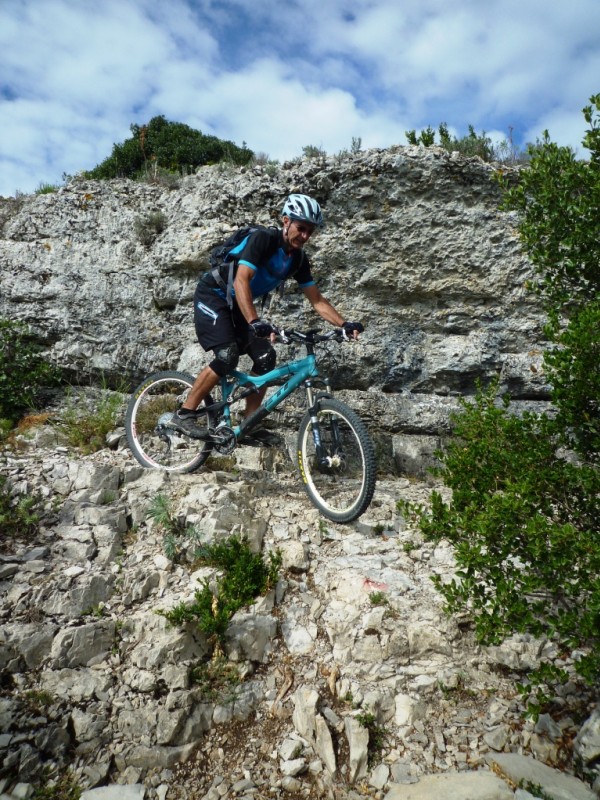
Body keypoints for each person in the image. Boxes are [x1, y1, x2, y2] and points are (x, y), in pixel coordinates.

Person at [168, 193, 364, 439]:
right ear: (285, 221)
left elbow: (317, 300)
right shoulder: (264, 239)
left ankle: (249, 425)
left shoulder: (298, 260)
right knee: (227, 356)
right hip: (214, 295)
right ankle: (184, 414)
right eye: (300, 228)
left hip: (239, 304)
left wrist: (344, 324)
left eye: (310, 231)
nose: (304, 236)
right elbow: (242, 279)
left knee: (266, 356)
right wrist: (254, 321)